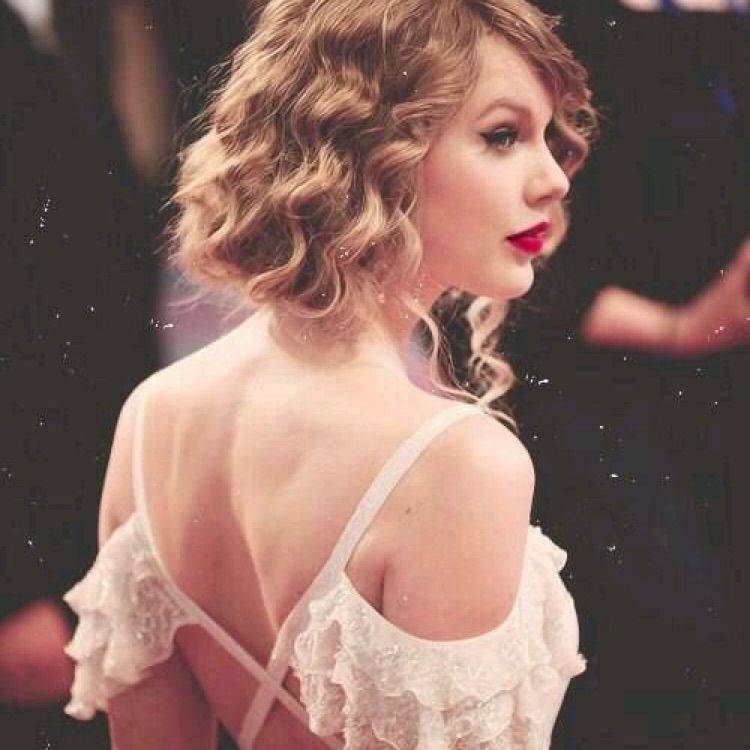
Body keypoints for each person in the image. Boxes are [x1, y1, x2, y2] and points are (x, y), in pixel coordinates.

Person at [61, 0, 598, 747]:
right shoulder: (460, 464)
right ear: (371, 148)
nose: (553, 180)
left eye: (548, 137)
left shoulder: (155, 413)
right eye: (502, 135)